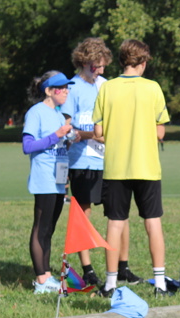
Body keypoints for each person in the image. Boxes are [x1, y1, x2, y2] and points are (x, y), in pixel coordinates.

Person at [92, 39, 171, 296]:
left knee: (115, 223)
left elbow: (98, 132)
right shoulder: (153, 88)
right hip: (147, 166)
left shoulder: (107, 88)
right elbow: (160, 132)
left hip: (116, 167)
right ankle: (160, 283)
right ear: (143, 62)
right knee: (153, 222)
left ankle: (110, 283)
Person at [61, 37, 140, 289]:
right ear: (85, 61)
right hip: (82, 161)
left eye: (105, 65)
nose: (102, 70)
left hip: (110, 161)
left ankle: (123, 266)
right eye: (98, 65)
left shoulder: (106, 85)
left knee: (120, 214)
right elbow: (67, 129)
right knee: (82, 216)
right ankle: (88, 270)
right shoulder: (72, 87)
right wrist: (91, 135)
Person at [23, 71, 75, 294]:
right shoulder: (36, 112)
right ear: (48, 91)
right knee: (41, 227)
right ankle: (41, 280)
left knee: (50, 229)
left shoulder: (59, 114)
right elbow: (28, 146)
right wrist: (56, 135)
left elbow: (58, 144)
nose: (66, 92)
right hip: (44, 177)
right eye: (61, 88)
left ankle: (46, 274)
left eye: (67, 88)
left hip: (58, 179)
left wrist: (68, 139)